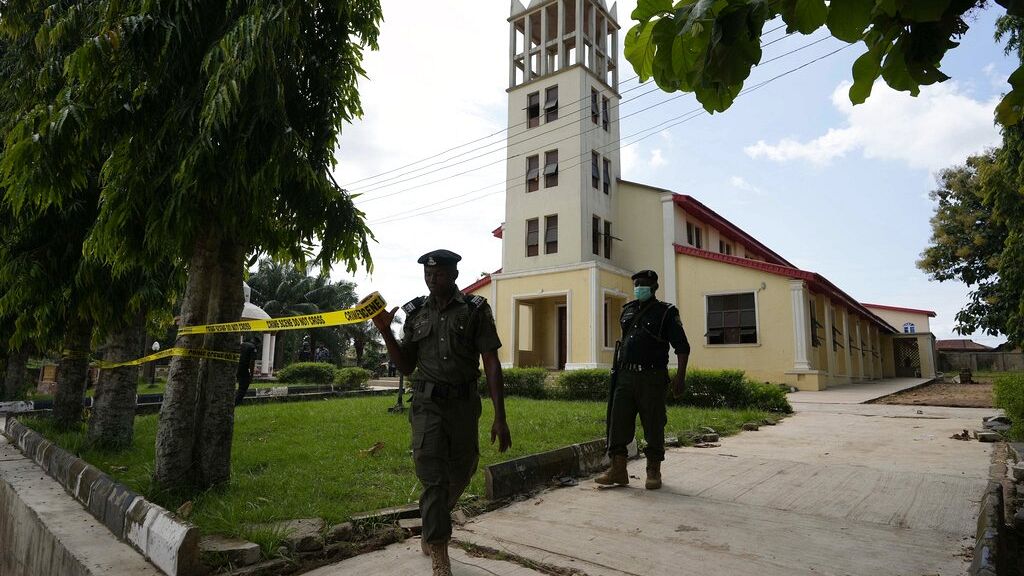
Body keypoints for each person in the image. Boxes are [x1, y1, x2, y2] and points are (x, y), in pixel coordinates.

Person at [367, 249, 512, 576]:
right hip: (427, 405)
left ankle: (435, 519)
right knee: (432, 476)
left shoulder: (475, 310)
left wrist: (499, 416)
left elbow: (491, 361)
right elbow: (405, 364)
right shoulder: (416, 312)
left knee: (463, 468)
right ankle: (439, 550)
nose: (433, 280)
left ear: (454, 275)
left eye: (440, 274)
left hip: (463, 404)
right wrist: (386, 331)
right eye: (428, 275)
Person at [596, 269, 689, 490]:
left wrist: (680, 378)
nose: (639, 287)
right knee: (617, 422)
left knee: (653, 423)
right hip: (625, 376)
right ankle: (618, 469)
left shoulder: (666, 312)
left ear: (654, 287)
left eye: (644, 284)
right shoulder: (627, 311)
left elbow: (682, 347)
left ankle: (653, 470)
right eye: (636, 284)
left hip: (652, 376)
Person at [234, 337, 258, 406]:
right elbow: (252, 362)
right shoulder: (253, 348)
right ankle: (235, 403)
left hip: (236, 367)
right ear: (256, 342)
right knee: (243, 388)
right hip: (244, 369)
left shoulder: (242, 344)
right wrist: (251, 375)